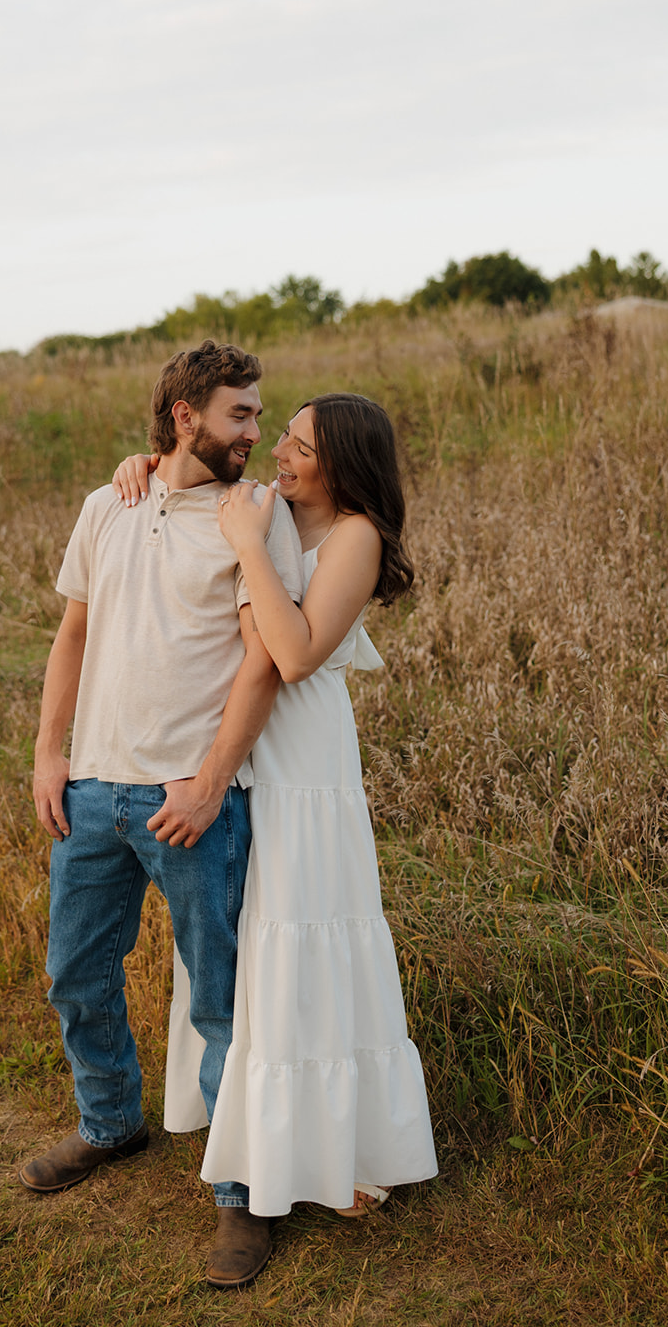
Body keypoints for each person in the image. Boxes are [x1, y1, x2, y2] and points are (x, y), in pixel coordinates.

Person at [20, 341, 304, 1290]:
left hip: (190, 803)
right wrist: (49, 753)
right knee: (73, 973)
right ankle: (109, 1124)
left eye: (258, 418)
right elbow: (74, 634)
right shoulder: (110, 503)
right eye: (239, 415)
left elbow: (263, 663)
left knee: (222, 1000)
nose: (254, 433)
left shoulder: (250, 517)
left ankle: (239, 1192)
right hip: (93, 792)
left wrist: (212, 779)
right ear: (185, 416)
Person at [113, 392, 438, 1220]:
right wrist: (143, 465)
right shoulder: (269, 510)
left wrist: (250, 544)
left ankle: (341, 1147)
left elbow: (293, 655)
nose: (278, 455)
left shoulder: (353, 537)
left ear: (341, 464)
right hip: (239, 745)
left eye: (298, 447)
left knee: (301, 936)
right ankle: (254, 1133)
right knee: (238, 940)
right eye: (281, 439)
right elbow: (186, 478)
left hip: (303, 766)